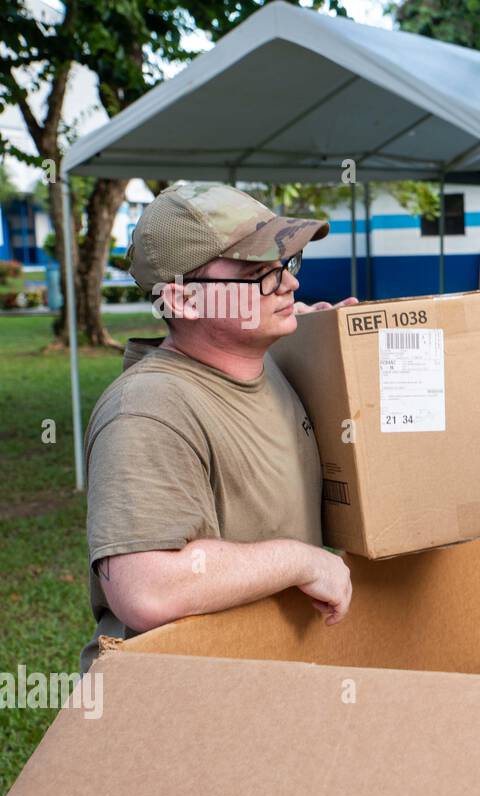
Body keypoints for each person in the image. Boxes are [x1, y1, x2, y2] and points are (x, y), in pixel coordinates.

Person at [81, 183, 358, 673]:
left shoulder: (261, 363)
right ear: (183, 301)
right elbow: (146, 588)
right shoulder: (147, 409)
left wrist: (332, 341)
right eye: (258, 274)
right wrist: (301, 561)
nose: (289, 285)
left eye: (286, 265)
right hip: (178, 708)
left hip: (258, 677)